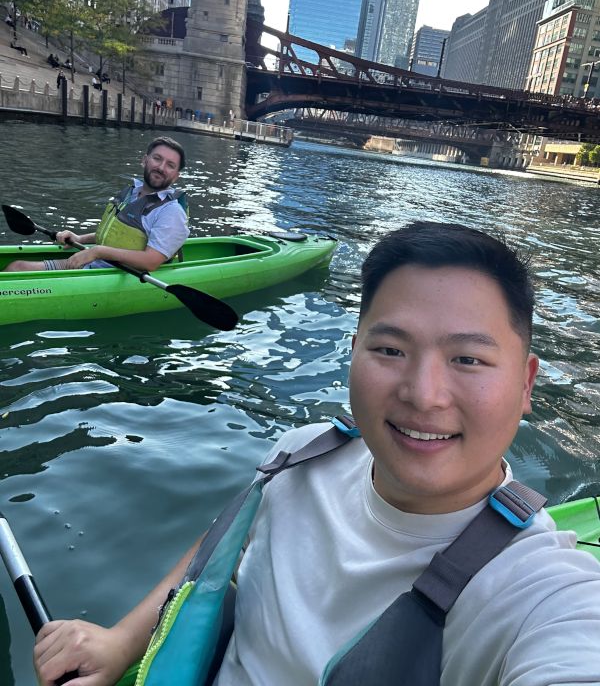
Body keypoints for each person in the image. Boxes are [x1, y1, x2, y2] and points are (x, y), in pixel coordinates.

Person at [33, 223, 600, 686]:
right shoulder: (301, 455)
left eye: (468, 360)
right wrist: (121, 639)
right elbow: (222, 547)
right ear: (353, 354)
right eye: (390, 349)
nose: (423, 394)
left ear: (526, 385)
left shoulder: (543, 591)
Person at [5, 137, 189, 274]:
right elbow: (119, 235)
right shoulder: (132, 193)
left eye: (170, 165)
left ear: (176, 176)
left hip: (117, 275)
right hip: (96, 265)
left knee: (16, 269)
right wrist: (80, 238)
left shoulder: (171, 212)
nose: (161, 167)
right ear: (145, 160)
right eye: (157, 159)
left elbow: (150, 262)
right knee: (17, 266)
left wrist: (98, 252)